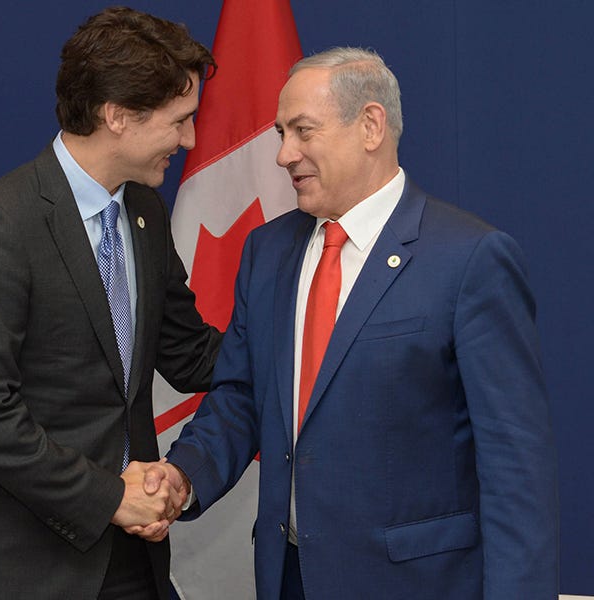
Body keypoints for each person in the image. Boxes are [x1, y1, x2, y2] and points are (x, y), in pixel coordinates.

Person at [145, 47, 559, 599]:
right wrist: (183, 476)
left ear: (370, 125)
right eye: (279, 133)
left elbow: (516, 469)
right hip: (287, 577)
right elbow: (242, 397)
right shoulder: (267, 252)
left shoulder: (469, 259)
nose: (283, 154)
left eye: (302, 131)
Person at [0, 7, 220, 600]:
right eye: (179, 120)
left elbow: (189, 355)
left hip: (131, 559)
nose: (190, 140)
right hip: (17, 563)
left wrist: (309, 339)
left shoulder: (146, 212)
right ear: (118, 116)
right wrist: (110, 498)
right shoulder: (0, 224)